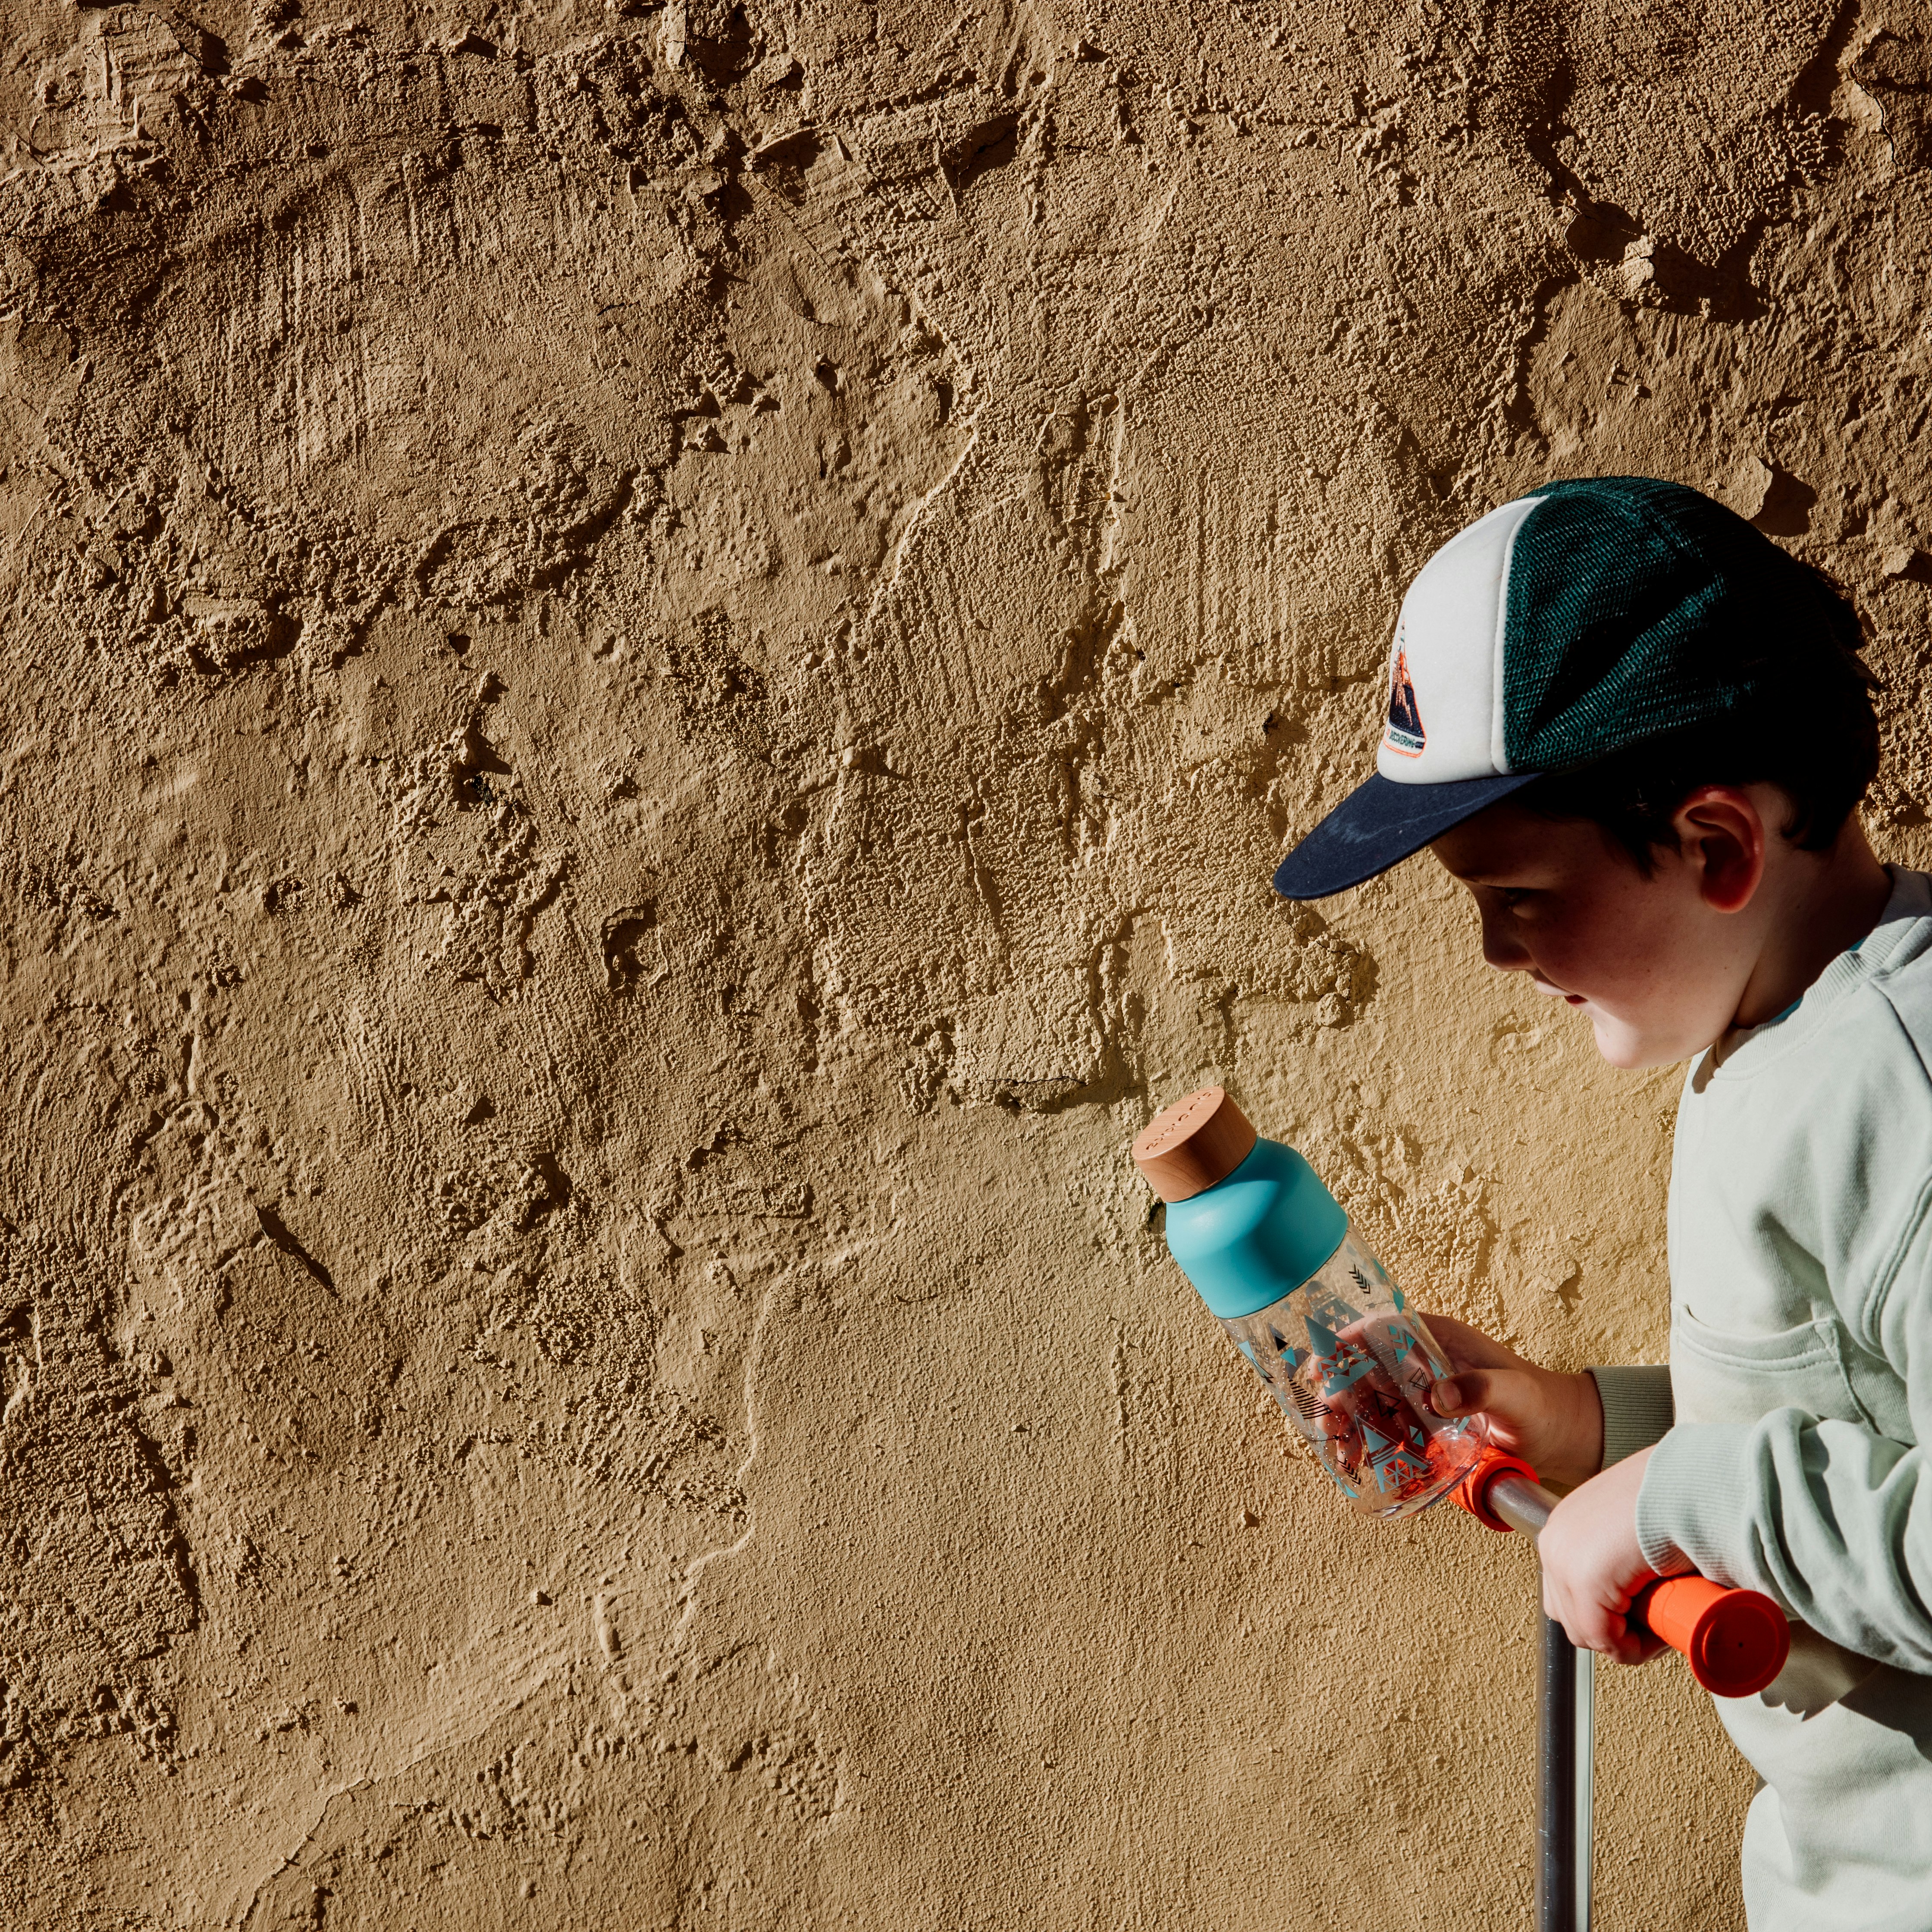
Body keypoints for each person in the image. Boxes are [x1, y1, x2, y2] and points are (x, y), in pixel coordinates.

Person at [1272, 476, 1931, 1932]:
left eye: (1517, 893)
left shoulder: (1903, 1093)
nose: (1498, 952)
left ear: (1716, 848)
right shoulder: (1778, 1035)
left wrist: (1685, 1503)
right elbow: (1861, 1427)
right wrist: (1593, 1431)